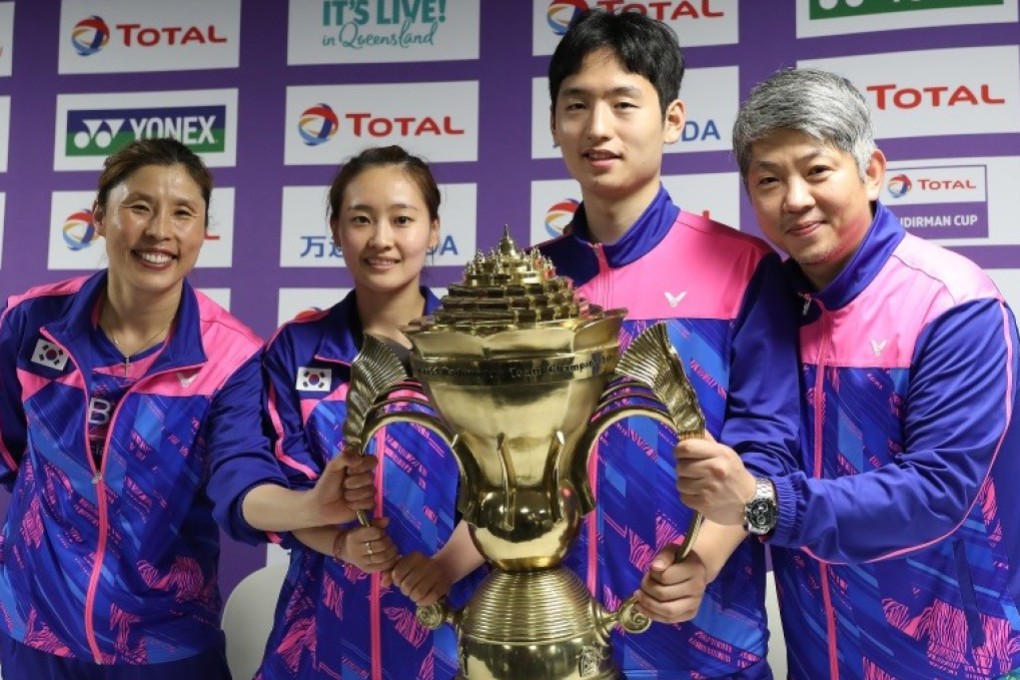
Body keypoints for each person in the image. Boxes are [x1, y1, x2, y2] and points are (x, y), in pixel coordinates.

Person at [675, 67, 1020, 679]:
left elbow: (937, 494)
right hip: (817, 661)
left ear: (872, 171)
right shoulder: (769, 304)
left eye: (817, 170)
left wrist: (763, 502)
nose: (795, 199)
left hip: (956, 660)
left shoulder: (954, 303)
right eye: (769, 180)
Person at [0, 138, 379, 679]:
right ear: (99, 218)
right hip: (33, 631)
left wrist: (313, 508)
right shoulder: (29, 321)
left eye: (183, 213)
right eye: (139, 207)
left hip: (166, 647)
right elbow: (11, 447)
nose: (160, 230)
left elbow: (237, 482)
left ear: (203, 233)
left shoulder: (232, 358)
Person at [535, 10, 801, 679]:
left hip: (701, 634)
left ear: (673, 120)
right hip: (546, 631)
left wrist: (702, 561)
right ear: (554, 123)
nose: (599, 128)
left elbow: (766, 447)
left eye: (625, 104)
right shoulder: (521, 284)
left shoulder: (744, 269)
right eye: (577, 105)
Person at [257, 145, 484, 680]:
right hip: (321, 633)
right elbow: (287, 491)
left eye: (402, 219)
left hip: (457, 623)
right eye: (361, 219)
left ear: (432, 230)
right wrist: (338, 541)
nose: (381, 239)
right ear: (336, 230)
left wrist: (449, 564)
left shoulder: (480, 346)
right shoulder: (295, 349)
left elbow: (518, 486)